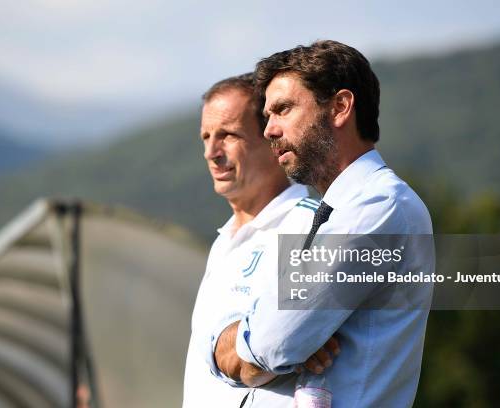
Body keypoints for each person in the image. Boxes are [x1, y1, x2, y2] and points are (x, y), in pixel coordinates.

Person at [209, 41, 434, 407]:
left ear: (340, 107)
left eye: (282, 109)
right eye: (267, 116)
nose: (269, 130)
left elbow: (274, 341)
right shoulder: (341, 208)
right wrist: (261, 341)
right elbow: (276, 338)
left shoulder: (377, 206)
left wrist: (223, 347)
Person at [183, 74, 340, 408]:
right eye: (206, 137)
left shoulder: (309, 228)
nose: (211, 152)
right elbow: (272, 344)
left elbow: (278, 344)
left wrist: (264, 343)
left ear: (271, 139)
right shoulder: (224, 240)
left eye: (228, 135)